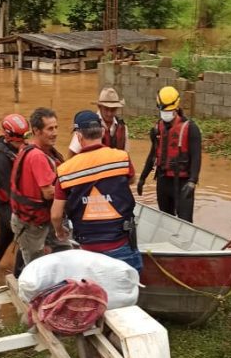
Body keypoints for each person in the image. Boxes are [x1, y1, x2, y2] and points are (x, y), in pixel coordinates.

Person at [51, 110, 142, 273]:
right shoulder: (121, 157)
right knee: (126, 294)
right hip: (120, 245)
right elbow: (131, 180)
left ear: (79, 137)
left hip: (88, 251)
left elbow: (56, 215)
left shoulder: (65, 170)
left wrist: (60, 231)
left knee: (95, 296)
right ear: (101, 132)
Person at [137, 86, 202, 222]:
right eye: (163, 110)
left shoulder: (191, 128)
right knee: (165, 221)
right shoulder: (156, 130)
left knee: (185, 223)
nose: (165, 113)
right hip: (163, 181)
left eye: (168, 110)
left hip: (183, 183)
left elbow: (196, 156)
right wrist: (142, 178)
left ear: (176, 108)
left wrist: (192, 181)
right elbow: (152, 155)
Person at [10, 107, 63, 265]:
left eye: (56, 127)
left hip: (38, 219)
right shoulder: (37, 156)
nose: (55, 133)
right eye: (50, 129)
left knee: (63, 250)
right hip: (32, 224)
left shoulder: (34, 149)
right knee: (36, 269)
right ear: (36, 131)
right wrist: (74, 192)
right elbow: (49, 193)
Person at [0, 113, 29, 273]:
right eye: (20, 139)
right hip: (5, 203)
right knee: (25, 238)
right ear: (9, 137)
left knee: (5, 237)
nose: (23, 142)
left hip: (9, 200)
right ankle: (18, 277)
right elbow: (13, 191)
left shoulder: (11, 146)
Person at [68, 86, 128, 156]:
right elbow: (72, 153)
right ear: (99, 107)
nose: (109, 113)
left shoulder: (123, 128)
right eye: (106, 109)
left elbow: (126, 154)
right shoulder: (86, 124)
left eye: (113, 109)